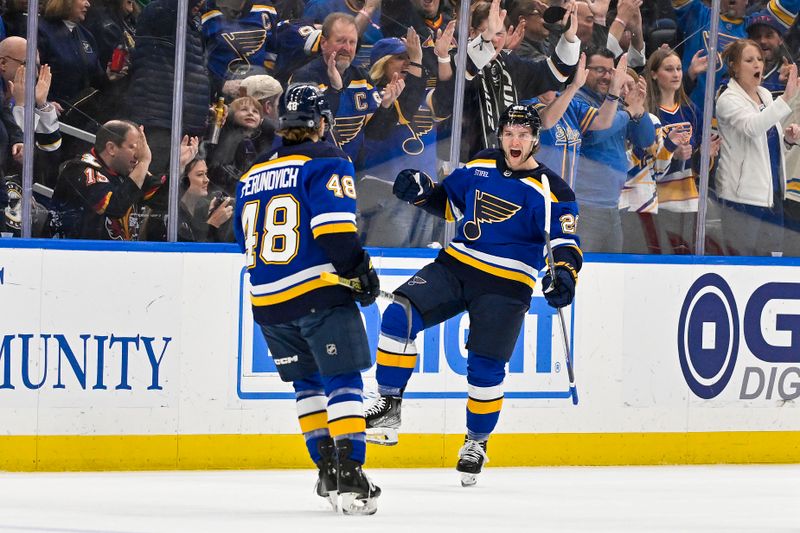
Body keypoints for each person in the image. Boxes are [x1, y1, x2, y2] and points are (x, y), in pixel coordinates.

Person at [364, 104, 582, 486]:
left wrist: (564, 273)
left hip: (508, 283)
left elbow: (564, 241)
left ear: (535, 141)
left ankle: (476, 442)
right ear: (500, 136)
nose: (515, 141)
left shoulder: (553, 189)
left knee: (485, 368)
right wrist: (421, 193)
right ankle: (388, 404)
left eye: (523, 135)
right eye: (509, 133)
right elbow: (449, 204)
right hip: (457, 265)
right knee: (399, 314)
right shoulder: (480, 163)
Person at [233, 83, 381, 515]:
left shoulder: (251, 174)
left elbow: (246, 238)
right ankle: (351, 472)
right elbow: (335, 232)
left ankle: (326, 471)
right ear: (320, 123)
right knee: (343, 380)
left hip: (267, 304)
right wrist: (360, 272)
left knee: (307, 385)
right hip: (317, 294)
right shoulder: (328, 162)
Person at [715, 39, 800, 256]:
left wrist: (787, 140)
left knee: (774, 258)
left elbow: (764, 142)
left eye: (760, 60)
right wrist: (787, 99)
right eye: (749, 60)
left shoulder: (763, 95)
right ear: (733, 66)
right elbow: (752, 127)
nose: (757, 65)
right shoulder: (728, 99)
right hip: (742, 197)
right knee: (743, 261)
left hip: (772, 192)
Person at [49, 120, 198, 240]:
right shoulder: (79, 170)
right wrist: (144, 162)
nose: (139, 154)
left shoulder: (128, 171)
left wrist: (178, 166)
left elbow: (162, 201)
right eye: (133, 147)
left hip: (117, 260)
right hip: (71, 260)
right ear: (111, 148)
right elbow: (114, 207)